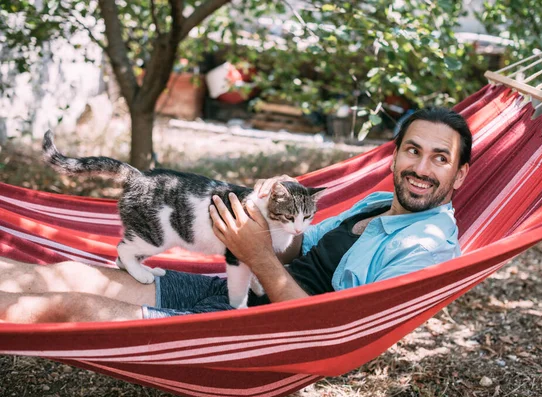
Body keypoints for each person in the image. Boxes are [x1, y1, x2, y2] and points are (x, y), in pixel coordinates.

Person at [0, 107, 471, 323]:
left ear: (461, 175)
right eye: (412, 151)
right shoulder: (373, 206)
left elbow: (330, 327)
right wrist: (268, 215)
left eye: (439, 158)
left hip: (248, 332)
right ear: (394, 158)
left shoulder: (426, 248)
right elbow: (299, 248)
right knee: (68, 273)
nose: (420, 168)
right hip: (234, 296)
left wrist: (256, 253)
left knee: (66, 309)